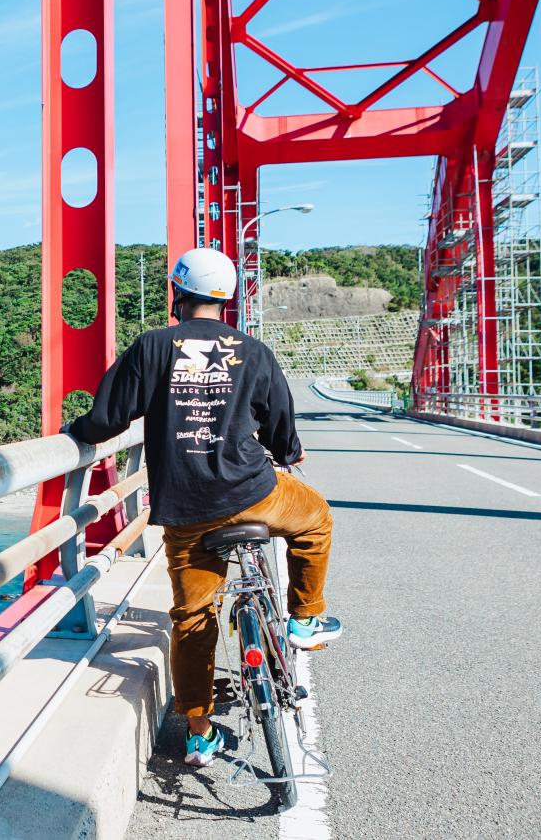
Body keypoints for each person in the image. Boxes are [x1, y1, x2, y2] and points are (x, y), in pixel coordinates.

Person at [66, 246, 341, 768]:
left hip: (186, 507)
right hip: (253, 492)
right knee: (317, 519)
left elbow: (106, 420)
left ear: (177, 293)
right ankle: (306, 618)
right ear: (227, 300)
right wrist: (289, 452)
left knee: (193, 618)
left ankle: (199, 732)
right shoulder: (252, 351)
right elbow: (280, 423)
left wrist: (72, 435)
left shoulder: (152, 347)